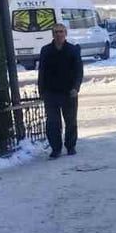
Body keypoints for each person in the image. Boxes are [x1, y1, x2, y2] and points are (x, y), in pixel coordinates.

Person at [38, 23, 84, 159]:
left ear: (66, 34)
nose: (59, 34)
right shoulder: (46, 50)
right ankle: (55, 148)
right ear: (53, 34)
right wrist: (42, 90)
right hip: (51, 92)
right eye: (56, 32)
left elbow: (79, 71)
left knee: (70, 121)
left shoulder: (73, 50)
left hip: (68, 92)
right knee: (52, 122)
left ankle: (70, 146)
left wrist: (76, 88)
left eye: (61, 32)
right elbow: (42, 72)